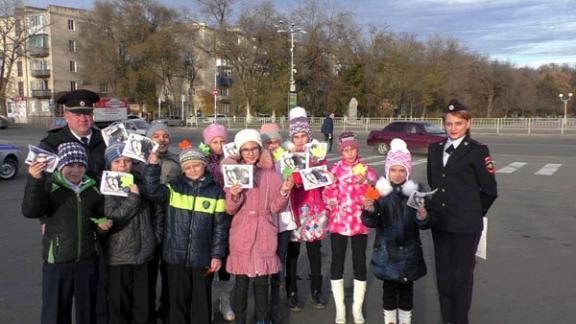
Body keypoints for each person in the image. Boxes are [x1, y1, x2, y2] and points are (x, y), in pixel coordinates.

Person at [427, 99, 498, 324]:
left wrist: (473, 212)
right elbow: (433, 182)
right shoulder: (434, 149)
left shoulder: (477, 151)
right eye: (449, 124)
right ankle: (446, 319)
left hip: (466, 226)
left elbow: (489, 190)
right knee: (443, 277)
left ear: (468, 124)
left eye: (458, 123)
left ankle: (459, 320)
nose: (453, 128)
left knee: (462, 278)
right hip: (441, 224)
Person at [22, 142, 109, 324]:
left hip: (87, 259)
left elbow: (98, 218)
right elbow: (31, 211)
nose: (76, 170)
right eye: (70, 165)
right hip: (58, 261)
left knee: (88, 310)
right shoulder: (50, 186)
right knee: (55, 312)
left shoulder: (93, 189)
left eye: (80, 165)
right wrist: (35, 179)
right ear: (61, 166)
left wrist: (102, 227)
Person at [144, 146, 229, 324]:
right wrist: (152, 166)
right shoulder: (173, 188)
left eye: (196, 165)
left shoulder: (216, 192)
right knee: (178, 302)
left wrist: (217, 255)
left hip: (203, 258)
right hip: (175, 257)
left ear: (203, 165)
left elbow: (220, 228)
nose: (192, 170)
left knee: (201, 302)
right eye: (188, 167)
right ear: (182, 169)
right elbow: (152, 192)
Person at [223, 129, 293, 324]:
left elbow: (276, 207)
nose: (250, 153)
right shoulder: (234, 171)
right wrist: (235, 195)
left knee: (262, 281)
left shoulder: (270, 175)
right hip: (241, 230)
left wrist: (284, 191)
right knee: (242, 283)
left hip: (264, 230)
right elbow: (229, 209)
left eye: (254, 148)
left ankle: (262, 319)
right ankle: (241, 320)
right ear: (240, 151)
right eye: (245, 149)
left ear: (260, 148)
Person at [361, 138, 429, 324]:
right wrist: (369, 210)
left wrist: (423, 217)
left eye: (402, 170)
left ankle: (405, 321)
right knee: (389, 290)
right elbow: (370, 222)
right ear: (387, 170)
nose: (397, 174)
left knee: (407, 290)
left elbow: (423, 225)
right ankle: (389, 321)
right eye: (393, 170)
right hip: (386, 252)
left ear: (407, 171)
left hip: (409, 252)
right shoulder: (376, 190)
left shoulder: (416, 191)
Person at [323, 132, 377, 324]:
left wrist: (366, 184)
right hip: (338, 222)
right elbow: (327, 198)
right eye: (345, 150)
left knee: (359, 262)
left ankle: (357, 308)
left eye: (352, 149)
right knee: (337, 261)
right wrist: (329, 185)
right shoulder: (335, 169)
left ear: (357, 149)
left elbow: (374, 193)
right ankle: (340, 309)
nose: (349, 153)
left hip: (359, 222)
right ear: (341, 151)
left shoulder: (365, 169)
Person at [102, 143, 156, 324]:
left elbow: (157, 212)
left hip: (143, 252)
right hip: (119, 255)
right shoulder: (106, 187)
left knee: (142, 303)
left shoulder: (140, 182)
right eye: (117, 161)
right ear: (109, 165)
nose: (122, 165)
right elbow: (113, 216)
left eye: (126, 161)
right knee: (119, 303)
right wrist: (133, 197)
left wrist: (154, 238)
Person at [285, 107, 328, 311]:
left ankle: (316, 291)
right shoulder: (286, 156)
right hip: (294, 209)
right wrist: (294, 177)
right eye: (296, 137)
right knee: (292, 253)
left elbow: (324, 179)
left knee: (314, 252)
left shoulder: (317, 155)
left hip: (313, 210)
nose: (300, 140)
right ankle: (291, 291)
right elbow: (283, 179)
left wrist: (319, 169)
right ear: (291, 138)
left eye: (303, 136)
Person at [260, 123, 297, 322]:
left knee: (277, 265)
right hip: (263, 221)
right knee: (260, 266)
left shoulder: (287, 159)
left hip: (282, 221)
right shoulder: (256, 161)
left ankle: (274, 307)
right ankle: (261, 306)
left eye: (276, 141)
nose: (273, 145)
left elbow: (297, 181)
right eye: (268, 142)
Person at [146, 123, 181, 323]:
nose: (161, 139)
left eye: (165, 136)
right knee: (148, 275)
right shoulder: (140, 161)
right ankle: (148, 312)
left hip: (171, 223)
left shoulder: (176, 161)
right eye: (156, 136)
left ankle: (166, 310)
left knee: (169, 274)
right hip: (148, 224)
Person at [201, 123, 236, 321]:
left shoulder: (233, 160)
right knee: (208, 261)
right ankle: (206, 303)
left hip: (229, 216)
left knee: (226, 262)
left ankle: (225, 300)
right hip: (208, 217)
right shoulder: (203, 162)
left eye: (222, 141)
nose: (219, 145)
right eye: (215, 141)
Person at [40, 89, 105, 184]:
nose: (83, 119)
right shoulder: (52, 143)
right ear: (66, 116)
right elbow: (42, 182)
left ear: (92, 115)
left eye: (87, 114)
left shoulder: (106, 140)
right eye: (77, 115)